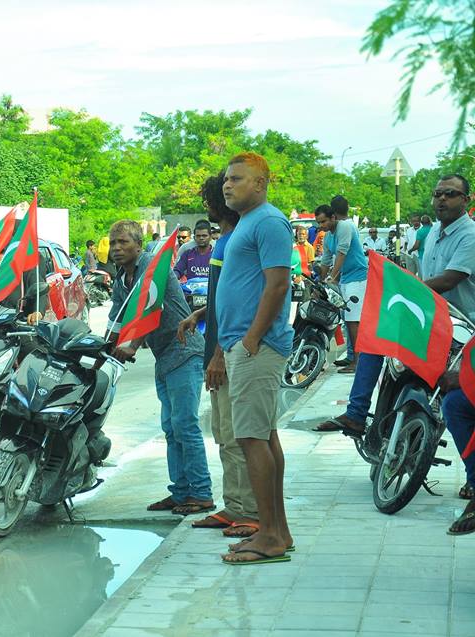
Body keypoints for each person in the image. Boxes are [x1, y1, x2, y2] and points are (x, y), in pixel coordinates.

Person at [318, 176, 475, 443]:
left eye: (450, 193)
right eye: (438, 193)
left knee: (453, 396)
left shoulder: (469, 235)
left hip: (461, 327)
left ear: (466, 200)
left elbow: (449, 280)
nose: (442, 199)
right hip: (433, 316)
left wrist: (406, 291)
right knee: (374, 337)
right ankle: (356, 413)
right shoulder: (434, 231)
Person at [215, 152, 294, 565]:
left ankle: (269, 538)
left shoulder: (268, 221)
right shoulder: (248, 222)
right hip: (243, 345)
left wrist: (250, 339)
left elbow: (278, 285)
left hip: (256, 349)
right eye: (227, 179)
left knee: (250, 438)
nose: (228, 185)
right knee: (262, 436)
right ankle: (276, 530)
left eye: (238, 179)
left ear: (260, 184)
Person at [107, 220, 212, 516]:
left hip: (185, 351)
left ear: (139, 245)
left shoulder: (152, 268)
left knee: (184, 425)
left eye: (123, 242)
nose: (116, 248)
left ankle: (201, 493)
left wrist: (131, 345)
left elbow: (150, 309)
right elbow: (116, 321)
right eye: (113, 242)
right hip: (164, 355)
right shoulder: (121, 280)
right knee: (170, 428)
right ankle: (180, 492)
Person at [179, 171, 258, 537]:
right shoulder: (224, 242)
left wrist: (219, 357)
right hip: (217, 347)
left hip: (227, 351)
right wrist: (199, 314)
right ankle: (234, 505)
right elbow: (219, 297)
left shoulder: (232, 242)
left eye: (207, 201)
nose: (206, 208)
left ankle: (250, 511)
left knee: (237, 435)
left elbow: (239, 305)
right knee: (223, 435)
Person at [316, 197, 368, 374]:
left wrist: (331, 277)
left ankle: (358, 362)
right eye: (318, 222)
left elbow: (342, 253)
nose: (321, 225)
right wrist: (322, 279)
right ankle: (353, 355)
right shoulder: (328, 237)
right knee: (347, 320)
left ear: (333, 218)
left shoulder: (345, 226)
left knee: (354, 321)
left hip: (359, 277)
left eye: (323, 221)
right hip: (346, 278)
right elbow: (325, 260)